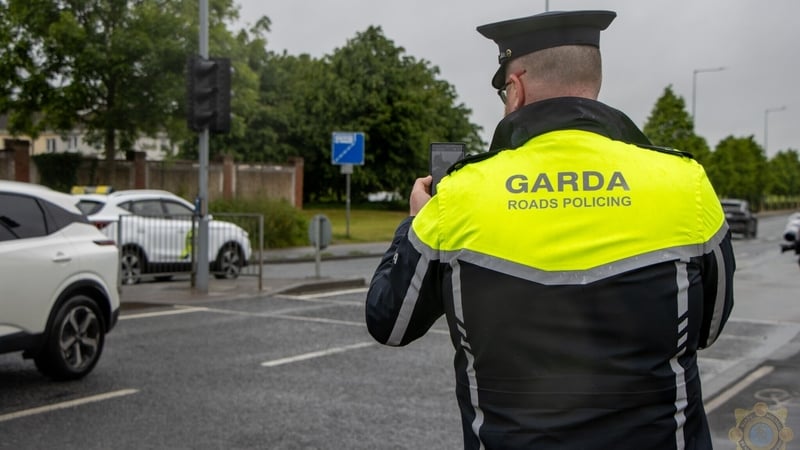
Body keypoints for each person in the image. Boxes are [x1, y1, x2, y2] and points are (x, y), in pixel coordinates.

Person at [365, 9, 735, 450]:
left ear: (516, 89)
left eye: (504, 90)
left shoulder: (460, 194)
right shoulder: (684, 182)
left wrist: (415, 223)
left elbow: (389, 322)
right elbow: (707, 329)